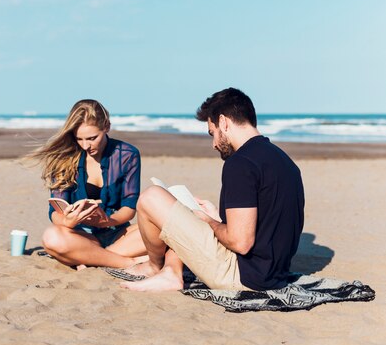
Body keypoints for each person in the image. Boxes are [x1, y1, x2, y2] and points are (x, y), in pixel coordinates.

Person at [120, 87, 305, 292]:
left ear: (224, 122)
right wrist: (216, 217)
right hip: (274, 275)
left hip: (243, 277)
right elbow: (264, 224)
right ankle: (168, 270)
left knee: (150, 197)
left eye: (212, 133)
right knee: (184, 211)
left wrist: (210, 222)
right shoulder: (285, 162)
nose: (214, 144)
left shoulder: (241, 163)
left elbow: (240, 242)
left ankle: (156, 267)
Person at [29, 99, 146, 268]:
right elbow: (54, 212)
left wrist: (107, 221)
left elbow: (129, 207)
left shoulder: (127, 154)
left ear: (107, 126)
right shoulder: (63, 158)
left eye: (92, 138)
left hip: (117, 232)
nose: (85, 146)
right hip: (80, 235)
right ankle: (127, 261)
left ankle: (91, 257)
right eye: (79, 139)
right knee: (51, 237)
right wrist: (66, 222)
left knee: (163, 230)